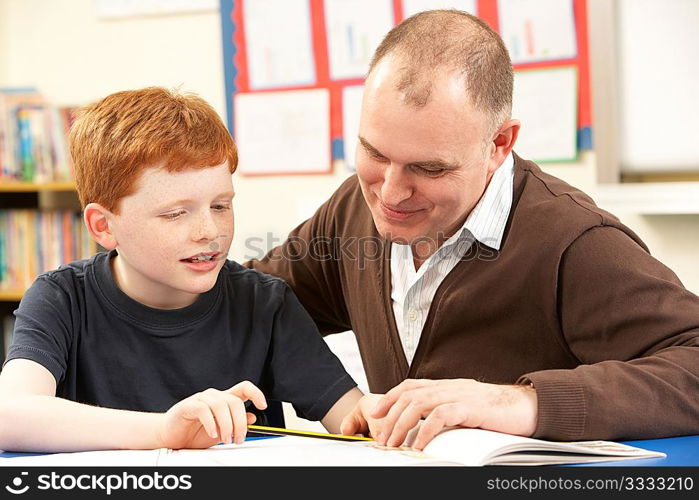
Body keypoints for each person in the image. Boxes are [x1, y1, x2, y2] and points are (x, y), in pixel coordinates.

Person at [245, 10, 699, 450]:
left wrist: (519, 402)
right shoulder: (351, 210)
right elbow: (245, 307)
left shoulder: (574, 243)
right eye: (375, 154)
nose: (391, 192)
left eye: (429, 168)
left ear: (499, 144)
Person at [0, 87, 361, 453]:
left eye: (221, 206)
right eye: (175, 213)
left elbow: (355, 422)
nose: (209, 231)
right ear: (104, 226)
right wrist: (163, 432)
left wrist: (388, 414)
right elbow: (9, 416)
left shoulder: (265, 303)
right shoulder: (61, 298)